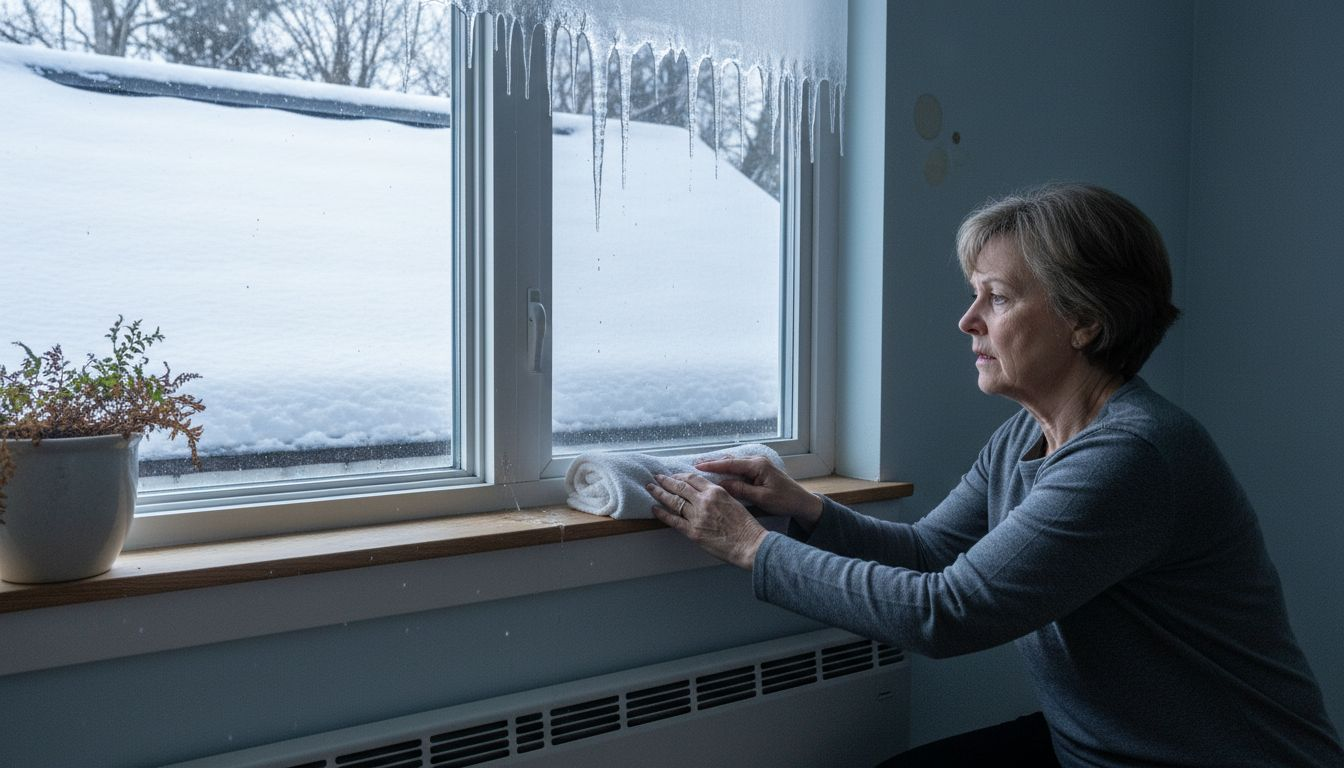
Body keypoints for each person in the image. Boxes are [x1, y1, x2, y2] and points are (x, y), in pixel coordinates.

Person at [647, 183, 1344, 766]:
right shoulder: (1025, 436)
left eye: (998, 298)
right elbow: (929, 554)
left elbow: (946, 613)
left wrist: (751, 546)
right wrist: (803, 507)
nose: (967, 321)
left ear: (1084, 321)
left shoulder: (1133, 456)